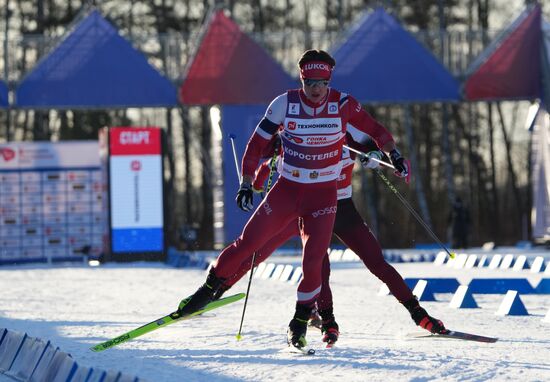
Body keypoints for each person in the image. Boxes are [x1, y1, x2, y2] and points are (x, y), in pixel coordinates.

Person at [177, 49, 408, 349]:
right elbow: (257, 145)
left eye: (321, 83)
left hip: (323, 197)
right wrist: (247, 183)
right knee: (248, 244)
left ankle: (298, 324)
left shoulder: (343, 104)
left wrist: (395, 154)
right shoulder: (284, 104)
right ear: (301, 79)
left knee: (312, 261)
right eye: (309, 82)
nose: (315, 89)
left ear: (329, 81)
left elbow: (376, 131)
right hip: (287, 191)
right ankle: (206, 292)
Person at [214, 135, 446, 347]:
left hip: (342, 210)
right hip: (305, 213)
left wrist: (376, 157)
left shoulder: (344, 138)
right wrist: (254, 185)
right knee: (266, 254)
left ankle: (418, 314)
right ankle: (218, 288)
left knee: (376, 263)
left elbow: (369, 150)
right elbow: (265, 165)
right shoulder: (297, 143)